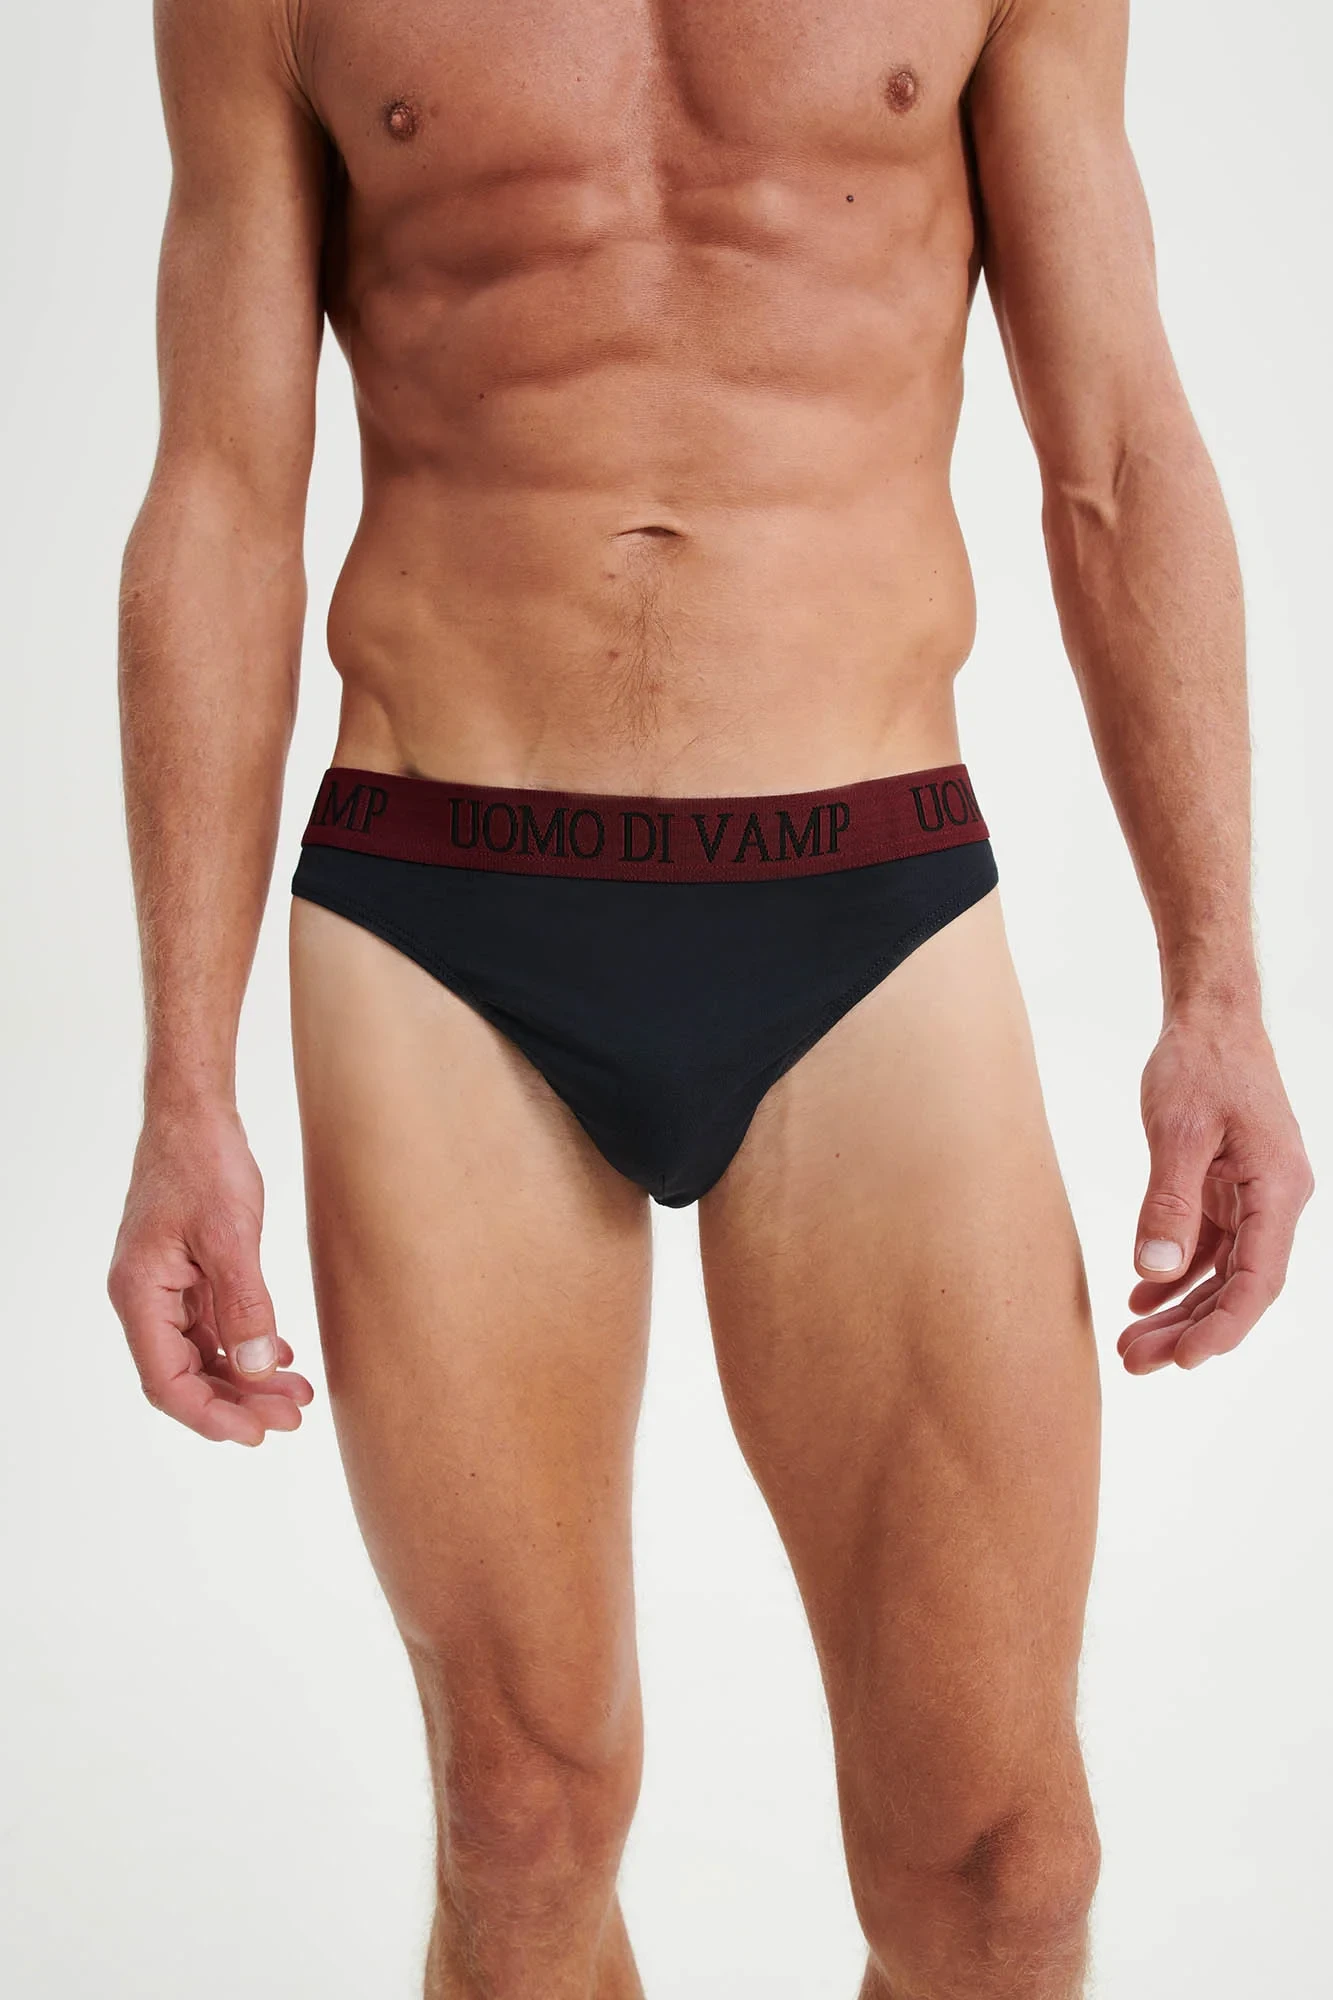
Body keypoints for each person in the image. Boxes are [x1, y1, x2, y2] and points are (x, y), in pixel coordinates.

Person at [106, 1, 1313, 1994]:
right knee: (520, 1824)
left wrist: (1219, 986)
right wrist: (181, 1086)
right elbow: (223, 496)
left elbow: (1112, 448)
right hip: (442, 900)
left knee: (1007, 1873)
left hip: (873, 894)